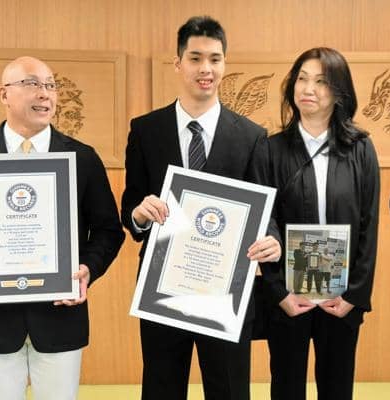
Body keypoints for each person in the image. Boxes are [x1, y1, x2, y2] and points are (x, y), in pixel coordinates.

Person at [0, 56, 125, 400]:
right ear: (4, 94)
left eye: (51, 86)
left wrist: (87, 269)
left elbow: (108, 230)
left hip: (59, 317)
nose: (45, 94)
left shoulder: (81, 158)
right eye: (32, 84)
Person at [120, 16, 281, 400]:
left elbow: (265, 210)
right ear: (178, 63)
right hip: (162, 286)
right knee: (161, 389)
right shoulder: (146, 130)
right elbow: (131, 202)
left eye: (214, 59)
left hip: (226, 290)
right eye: (195, 58)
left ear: (224, 64)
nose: (205, 69)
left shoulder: (252, 136)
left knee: (229, 390)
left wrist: (272, 239)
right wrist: (139, 215)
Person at [256, 47, 380, 400]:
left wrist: (354, 294)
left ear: (339, 92)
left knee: (337, 387)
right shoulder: (270, 149)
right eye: (302, 79)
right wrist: (279, 293)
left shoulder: (360, 148)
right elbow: (264, 222)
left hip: (341, 296)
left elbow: (369, 225)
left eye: (321, 81)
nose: (308, 89)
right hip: (289, 295)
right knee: (286, 386)